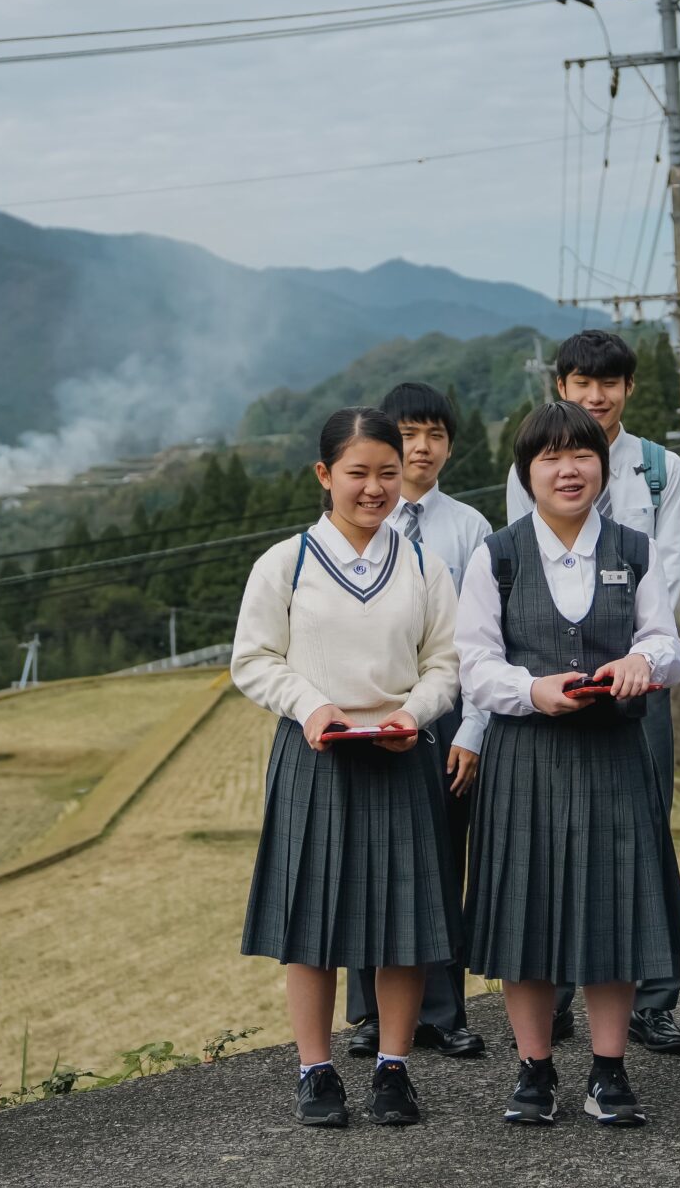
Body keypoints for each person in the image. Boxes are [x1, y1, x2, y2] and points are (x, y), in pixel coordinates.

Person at [464, 400, 680, 1127]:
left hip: (612, 752)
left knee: (614, 911)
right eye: (550, 457)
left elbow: (669, 644)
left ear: (603, 465)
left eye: (582, 455)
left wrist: (640, 661)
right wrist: (531, 689)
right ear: (526, 471)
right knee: (526, 919)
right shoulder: (496, 554)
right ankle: (534, 1070)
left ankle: (608, 1070)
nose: (569, 469)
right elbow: (473, 665)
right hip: (525, 755)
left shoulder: (633, 548)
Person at [233, 407, 463, 1129]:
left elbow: (446, 662)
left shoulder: (424, 563)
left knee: (405, 918)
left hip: (398, 752)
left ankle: (394, 1069)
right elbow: (253, 659)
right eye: (357, 473)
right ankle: (315, 1070)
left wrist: (413, 715)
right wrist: (310, 705)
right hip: (316, 755)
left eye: (387, 474)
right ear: (325, 475)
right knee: (312, 920)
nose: (373, 488)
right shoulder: (286, 562)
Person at [504, 329, 680, 1054]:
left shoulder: (657, 468)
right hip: (551, 680)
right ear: (562, 387)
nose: (596, 396)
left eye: (610, 383)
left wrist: (634, 659)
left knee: (641, 831)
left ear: (629, 390)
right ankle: (549, 1000)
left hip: (634, 679)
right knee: (548, 839)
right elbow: (518, 563)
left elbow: (665, 572)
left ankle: (653, 999)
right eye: (583, 382)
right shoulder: (533, 458)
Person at [344, 383, 495, 1062]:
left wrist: (472, 732)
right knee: (366, 862)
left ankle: (444, 1011)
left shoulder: (469, 528)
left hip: (446, 712)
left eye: (436, 434)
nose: (422, 448)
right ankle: (370, 1016)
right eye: (409, 434)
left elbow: (486, 640)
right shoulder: (356, 523)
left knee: (441, 862)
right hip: (366, 714)